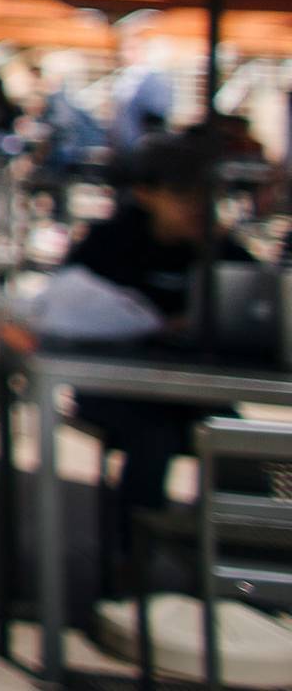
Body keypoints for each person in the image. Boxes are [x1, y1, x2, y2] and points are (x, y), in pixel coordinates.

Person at [53, 135, 254, 549]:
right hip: (116, 388)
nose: (195, 204)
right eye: (182, 194)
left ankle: (240, 558)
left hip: (192, 391)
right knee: (153, 437)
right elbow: (69, 309)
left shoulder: (222, 250)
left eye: (203, 194)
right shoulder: (109, 243)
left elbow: (256, 307)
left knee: (239, 440)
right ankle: (131, 559)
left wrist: (208, 250)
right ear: (146, 193)